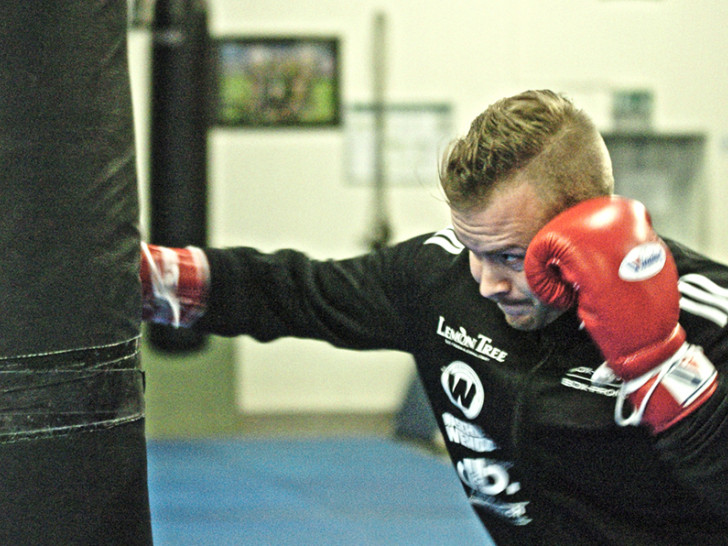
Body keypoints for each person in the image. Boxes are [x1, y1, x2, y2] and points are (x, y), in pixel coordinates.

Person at [141, 90, 728, 545]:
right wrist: (140, 278)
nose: (486, 282)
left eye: (510, 256)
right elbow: (295, 291)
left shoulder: (705, 314)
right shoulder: (438, 278)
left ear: (586, 224)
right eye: (473, 248)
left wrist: (663, 365)